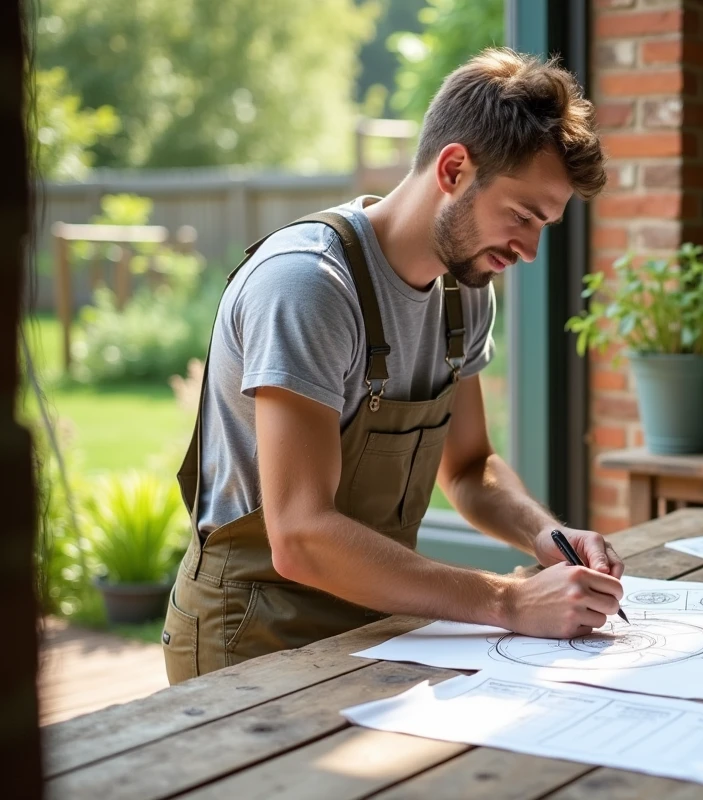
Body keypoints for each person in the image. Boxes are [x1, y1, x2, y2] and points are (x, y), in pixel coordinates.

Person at [162, 48, 623, 684]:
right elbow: (300, 536)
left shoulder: (464, 295)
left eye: (544, 224)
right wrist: (509, 601)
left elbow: (468, 468)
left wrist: (547, 535)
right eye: (522, 216)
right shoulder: (309, 285)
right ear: (455, 168)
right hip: (251, 636)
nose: (531, 250)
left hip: (376, 624)